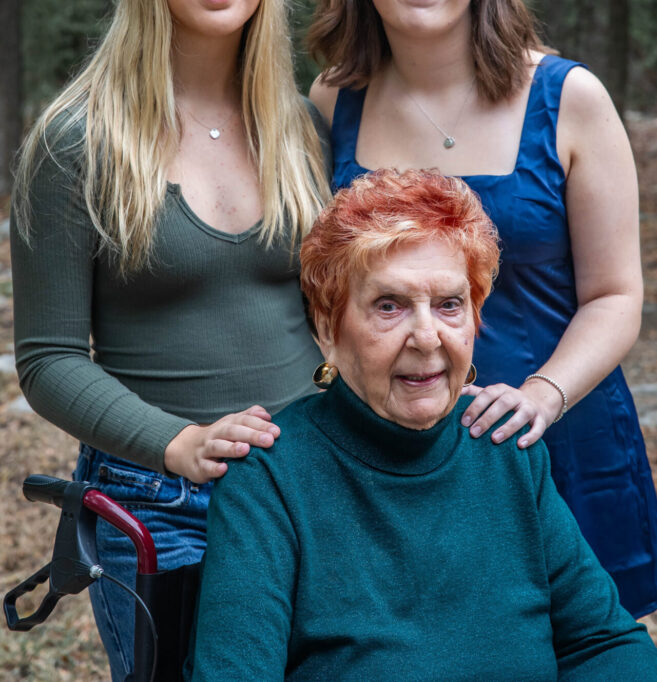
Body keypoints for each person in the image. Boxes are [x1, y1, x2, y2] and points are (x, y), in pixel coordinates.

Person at [306, 0, 657, 618]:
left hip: (555, 441)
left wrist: (541, 396)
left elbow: (615, 295)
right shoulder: (336, 102)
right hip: (394, 463)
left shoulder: (567, 98)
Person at [10, 0, 331, 681]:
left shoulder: (299, 129)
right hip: (161, 502)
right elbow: (46, 363)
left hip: (307, 484)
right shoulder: (78, 141)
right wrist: (177, 443)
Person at [187, 168, 657, 681]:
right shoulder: (268, 480)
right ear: (328, 327)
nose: (428, 337)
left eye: (449, 305)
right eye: (389, 306)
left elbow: (607, 643)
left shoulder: (504, 451)